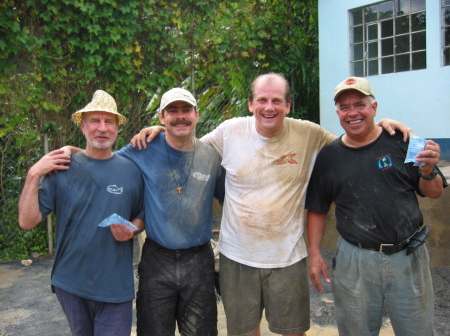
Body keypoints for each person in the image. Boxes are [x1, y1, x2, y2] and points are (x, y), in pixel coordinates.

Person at [132, 73, 411, 336]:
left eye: (277, 100)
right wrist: (162, 129)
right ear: (251, 104)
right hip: (236, 256)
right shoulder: (229, 132)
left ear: (288, 105)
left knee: (293, 331)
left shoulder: (309, 134)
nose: (269, 107)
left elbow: (352, 142)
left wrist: (380, 125)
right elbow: (187, 148)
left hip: (287, 256)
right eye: (262, 100)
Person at [65, 87, 225, 336]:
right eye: (172, 111)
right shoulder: (143, 148)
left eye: (186, 110)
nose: (180, 116)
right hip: (157, 260)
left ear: (197, 114)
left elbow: (231, 200)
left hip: (199, 262)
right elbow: (102, 160)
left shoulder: (212, 157)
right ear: (161, 117)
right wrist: (70, 152)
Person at [305, 76, 447, 336]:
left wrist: (428, 171)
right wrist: (314, 254)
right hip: (355, 261)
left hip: (408, 257)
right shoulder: (328, 157)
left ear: (374, 107)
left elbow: (435, 192)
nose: (352, 113)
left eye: (359, 104)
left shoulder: (406, 141)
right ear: (337, 112)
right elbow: (317, 208)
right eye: (344, 107)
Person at [18, 90, 145, 336]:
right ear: (83, 127)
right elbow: (27, 221)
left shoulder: (131, 171)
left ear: (117, 128)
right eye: (95, 121)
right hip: (71, 282)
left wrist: (132, 229)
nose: (102, 128)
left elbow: (141, 216)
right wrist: (34, 174)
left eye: (109, 121)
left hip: (115, 286)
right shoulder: (61, 168)